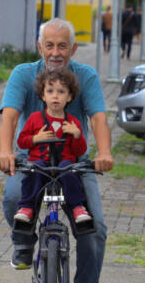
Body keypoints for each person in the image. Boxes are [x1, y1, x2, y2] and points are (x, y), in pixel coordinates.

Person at [0, 17, 114, 283]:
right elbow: (9, 118)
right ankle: (24, 243)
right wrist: (6, 152)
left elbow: (99, 118)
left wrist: (104, 153)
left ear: (73, 48)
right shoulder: (23, 74)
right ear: (39, 47)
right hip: (31, 160)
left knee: (95, 227)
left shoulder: (85, 76)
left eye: (62, 45)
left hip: (74, 163)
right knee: (12, 198)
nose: (56, 52)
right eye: (49, 45)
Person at [14, 68, 92, 225]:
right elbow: (21, 141)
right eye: (50, 91)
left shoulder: (72, 122)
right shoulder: (35, 118)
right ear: (43, 95)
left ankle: (77, 207)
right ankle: (27, 207)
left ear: (69, 97)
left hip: (63, 166)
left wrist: (77, 135)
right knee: (34, 170)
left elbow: (79, 151)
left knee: (70, 170)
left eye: (61, 91)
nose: (55, 96)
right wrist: (35, 138)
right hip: (41, 164)